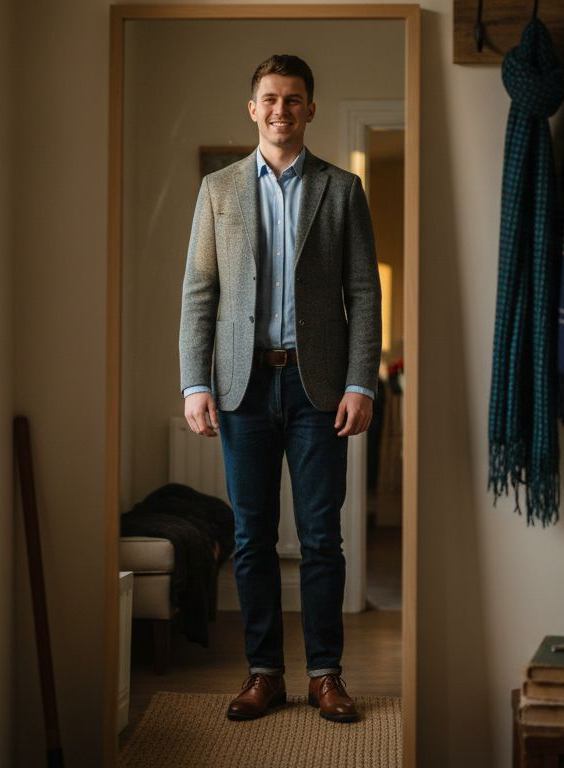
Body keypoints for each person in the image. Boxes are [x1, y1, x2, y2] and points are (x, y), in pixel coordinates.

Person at [178, 54, 381, 724]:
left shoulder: (343, 189)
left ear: (310, 109)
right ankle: (263, 673)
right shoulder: (219, 191)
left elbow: (363, 293)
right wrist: (194, 382)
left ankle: (326, 674)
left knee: (322, 538)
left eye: (293, 100)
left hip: (319, 386)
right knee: (252, 535)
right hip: (241, 387)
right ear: (252, 107)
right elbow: (199, 295)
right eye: (270, 99)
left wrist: (361, 382)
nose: (281, 110)